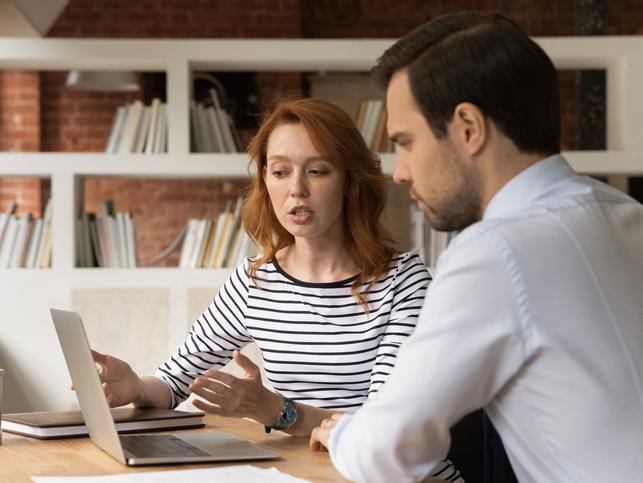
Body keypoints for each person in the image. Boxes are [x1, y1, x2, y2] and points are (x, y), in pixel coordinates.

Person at [310, 11, 643, 483]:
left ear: (468, 127)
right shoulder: (625, 211)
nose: (400, 172)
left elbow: (389, 451)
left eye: (405, 142)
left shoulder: (498, 250)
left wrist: (345, 434)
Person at [88, 97, 460, 480]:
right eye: (280, 172)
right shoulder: (255, 280)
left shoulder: (403, 282)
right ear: (265, 180)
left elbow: (384, 433)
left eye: (317, 171)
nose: (296, 190)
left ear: (349, 181)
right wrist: (135, 386)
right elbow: (174, 381)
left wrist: (278, 411)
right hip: (307, 475)